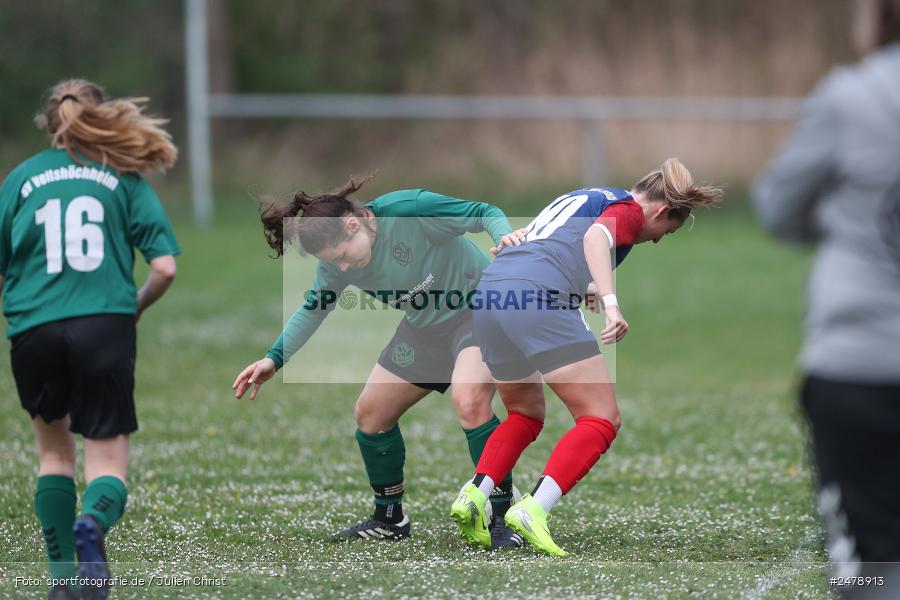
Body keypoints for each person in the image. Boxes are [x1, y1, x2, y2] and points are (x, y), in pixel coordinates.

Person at [232, 178, 528, 549]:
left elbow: (483, 212)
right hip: (424, 328)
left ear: (354, 224)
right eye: (332, 262)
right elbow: (314, 307)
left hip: (478, 310)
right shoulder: (337, 263)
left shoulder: (409, 210)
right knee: (371, 414)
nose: (341, 266)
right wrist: (273, 358)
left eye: (342, 254)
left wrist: (505, 240)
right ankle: (389, 517)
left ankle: (502, 516)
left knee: (469, 401)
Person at [450, 158, 721, 556]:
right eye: (668, 229)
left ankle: (475, 494)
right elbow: (596, 239)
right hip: (537, 297)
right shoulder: (629, 209)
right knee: (601, 417)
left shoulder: (585, 195)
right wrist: (611, 304)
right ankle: (533, 510)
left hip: (493, 292)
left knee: (525, 414)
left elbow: (545, 240)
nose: (660, 238)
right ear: (661, 210)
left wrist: (586, 284)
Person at [0, 79, 179, 599]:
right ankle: (93, 527)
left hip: (33, 329)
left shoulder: (19, 180)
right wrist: (134, 308)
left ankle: (61, 582)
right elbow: (164, 268)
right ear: (102, 119)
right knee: (106, 464)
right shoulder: (120, 175)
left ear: (49, 124)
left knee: (53, 458)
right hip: (104, 325)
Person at [752, 1, 900, 595]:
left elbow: (778, 209)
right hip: (856, 368)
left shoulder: (850, 96)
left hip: (858, 366)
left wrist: (844, 220)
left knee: (867, 572)